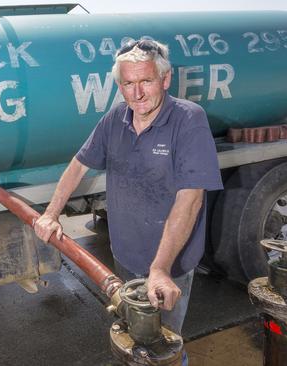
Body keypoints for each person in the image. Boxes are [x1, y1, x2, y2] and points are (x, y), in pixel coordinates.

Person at [33, 39, 223, 337]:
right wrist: (51, 213)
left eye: (146, 81)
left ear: (165, 78)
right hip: (124, 256)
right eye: (128, 83)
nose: (137, 93)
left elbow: (190, 200)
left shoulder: (188, 119)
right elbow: (78, 165)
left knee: (163, 344)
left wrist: (160, 269)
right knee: (133, 336)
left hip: (169, 264)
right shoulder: (115, 119)